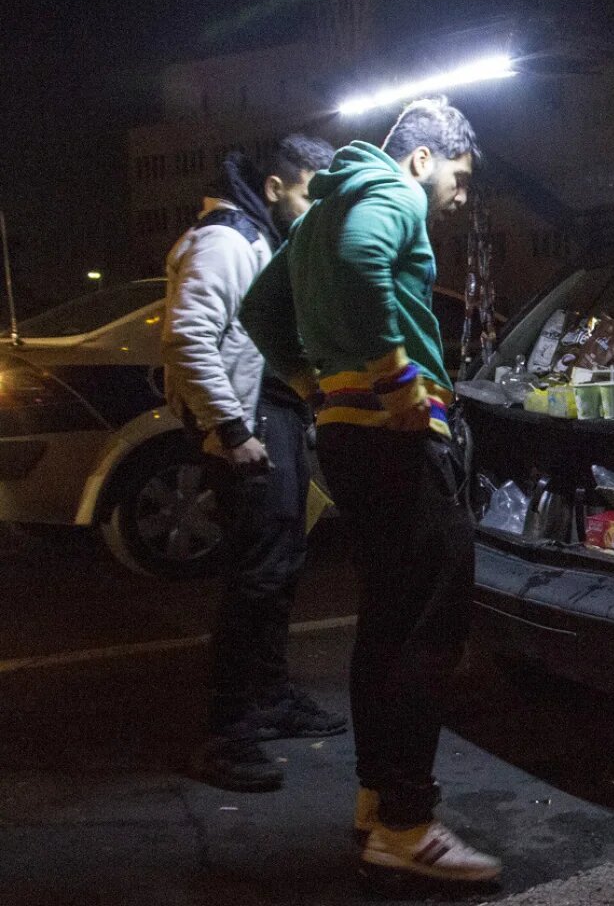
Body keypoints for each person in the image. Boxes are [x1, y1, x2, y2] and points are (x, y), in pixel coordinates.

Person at [241, 97, 499, 885]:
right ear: (422, 160)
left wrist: (317, 388)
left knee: (386, 624)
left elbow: (261, 309)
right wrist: (400, 388)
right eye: (457, 179)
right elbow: (362, 265)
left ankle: (377, 804)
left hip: (347, 440)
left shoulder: (320, 212)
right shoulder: (387, 194)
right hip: (396, 441)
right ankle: (407, 824)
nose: (459, 200)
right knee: (429, 626)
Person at [162, 136, 347, 793]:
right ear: (274, 186)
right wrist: (231, 427)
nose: (313, 207)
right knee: (255, 578)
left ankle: (271, 700)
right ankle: (227, 733)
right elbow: (186, 335)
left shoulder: (259, 237)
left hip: (277, 420)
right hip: (251, 430)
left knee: (279, 568)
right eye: (307, 192)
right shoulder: (227, 240)